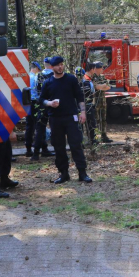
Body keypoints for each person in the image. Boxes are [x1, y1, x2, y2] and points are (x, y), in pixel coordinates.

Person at [39, 56, 92, 184]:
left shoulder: (71, 79)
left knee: (76, 144)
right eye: (57, 65)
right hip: (55, 119)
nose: (60, 67)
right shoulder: (48, 82)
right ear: (52, 67)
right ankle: (63, 173)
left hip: (71, 117)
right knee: (59, 146)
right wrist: (50, 103)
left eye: (62, 64)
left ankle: (82, 173)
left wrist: (83, 112)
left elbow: (79, 96)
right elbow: (41, 100)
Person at [30, 58, 55, 161]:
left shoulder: (38, 76)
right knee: (56, 127)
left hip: (41, 104)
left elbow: (35, 89)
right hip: (54, 105)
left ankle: (36, 153)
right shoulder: (54, 75)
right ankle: (57, 149)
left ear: (44, 65)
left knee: (40, 129)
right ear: (52, 65)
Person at [90, 62, 112, 142]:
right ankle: (95, 137)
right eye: (100, 67)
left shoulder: (102, 76)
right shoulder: (92, 77)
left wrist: (101, 86)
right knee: (96, 119)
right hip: (95, 101)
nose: (102, 69)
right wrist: (102, 86)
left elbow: (108, 87)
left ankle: (104, 136)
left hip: (103, 100)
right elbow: (96, 87)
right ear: (95, 68)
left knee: (103, 119)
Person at [78, 65, 97, 149]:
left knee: (80, 126)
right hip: (89, 106)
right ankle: (92, 140)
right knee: (91, 125)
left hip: (79, 108)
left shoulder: (74, 84)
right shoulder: (88, 82)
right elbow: (93, 93)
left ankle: (80, 143)